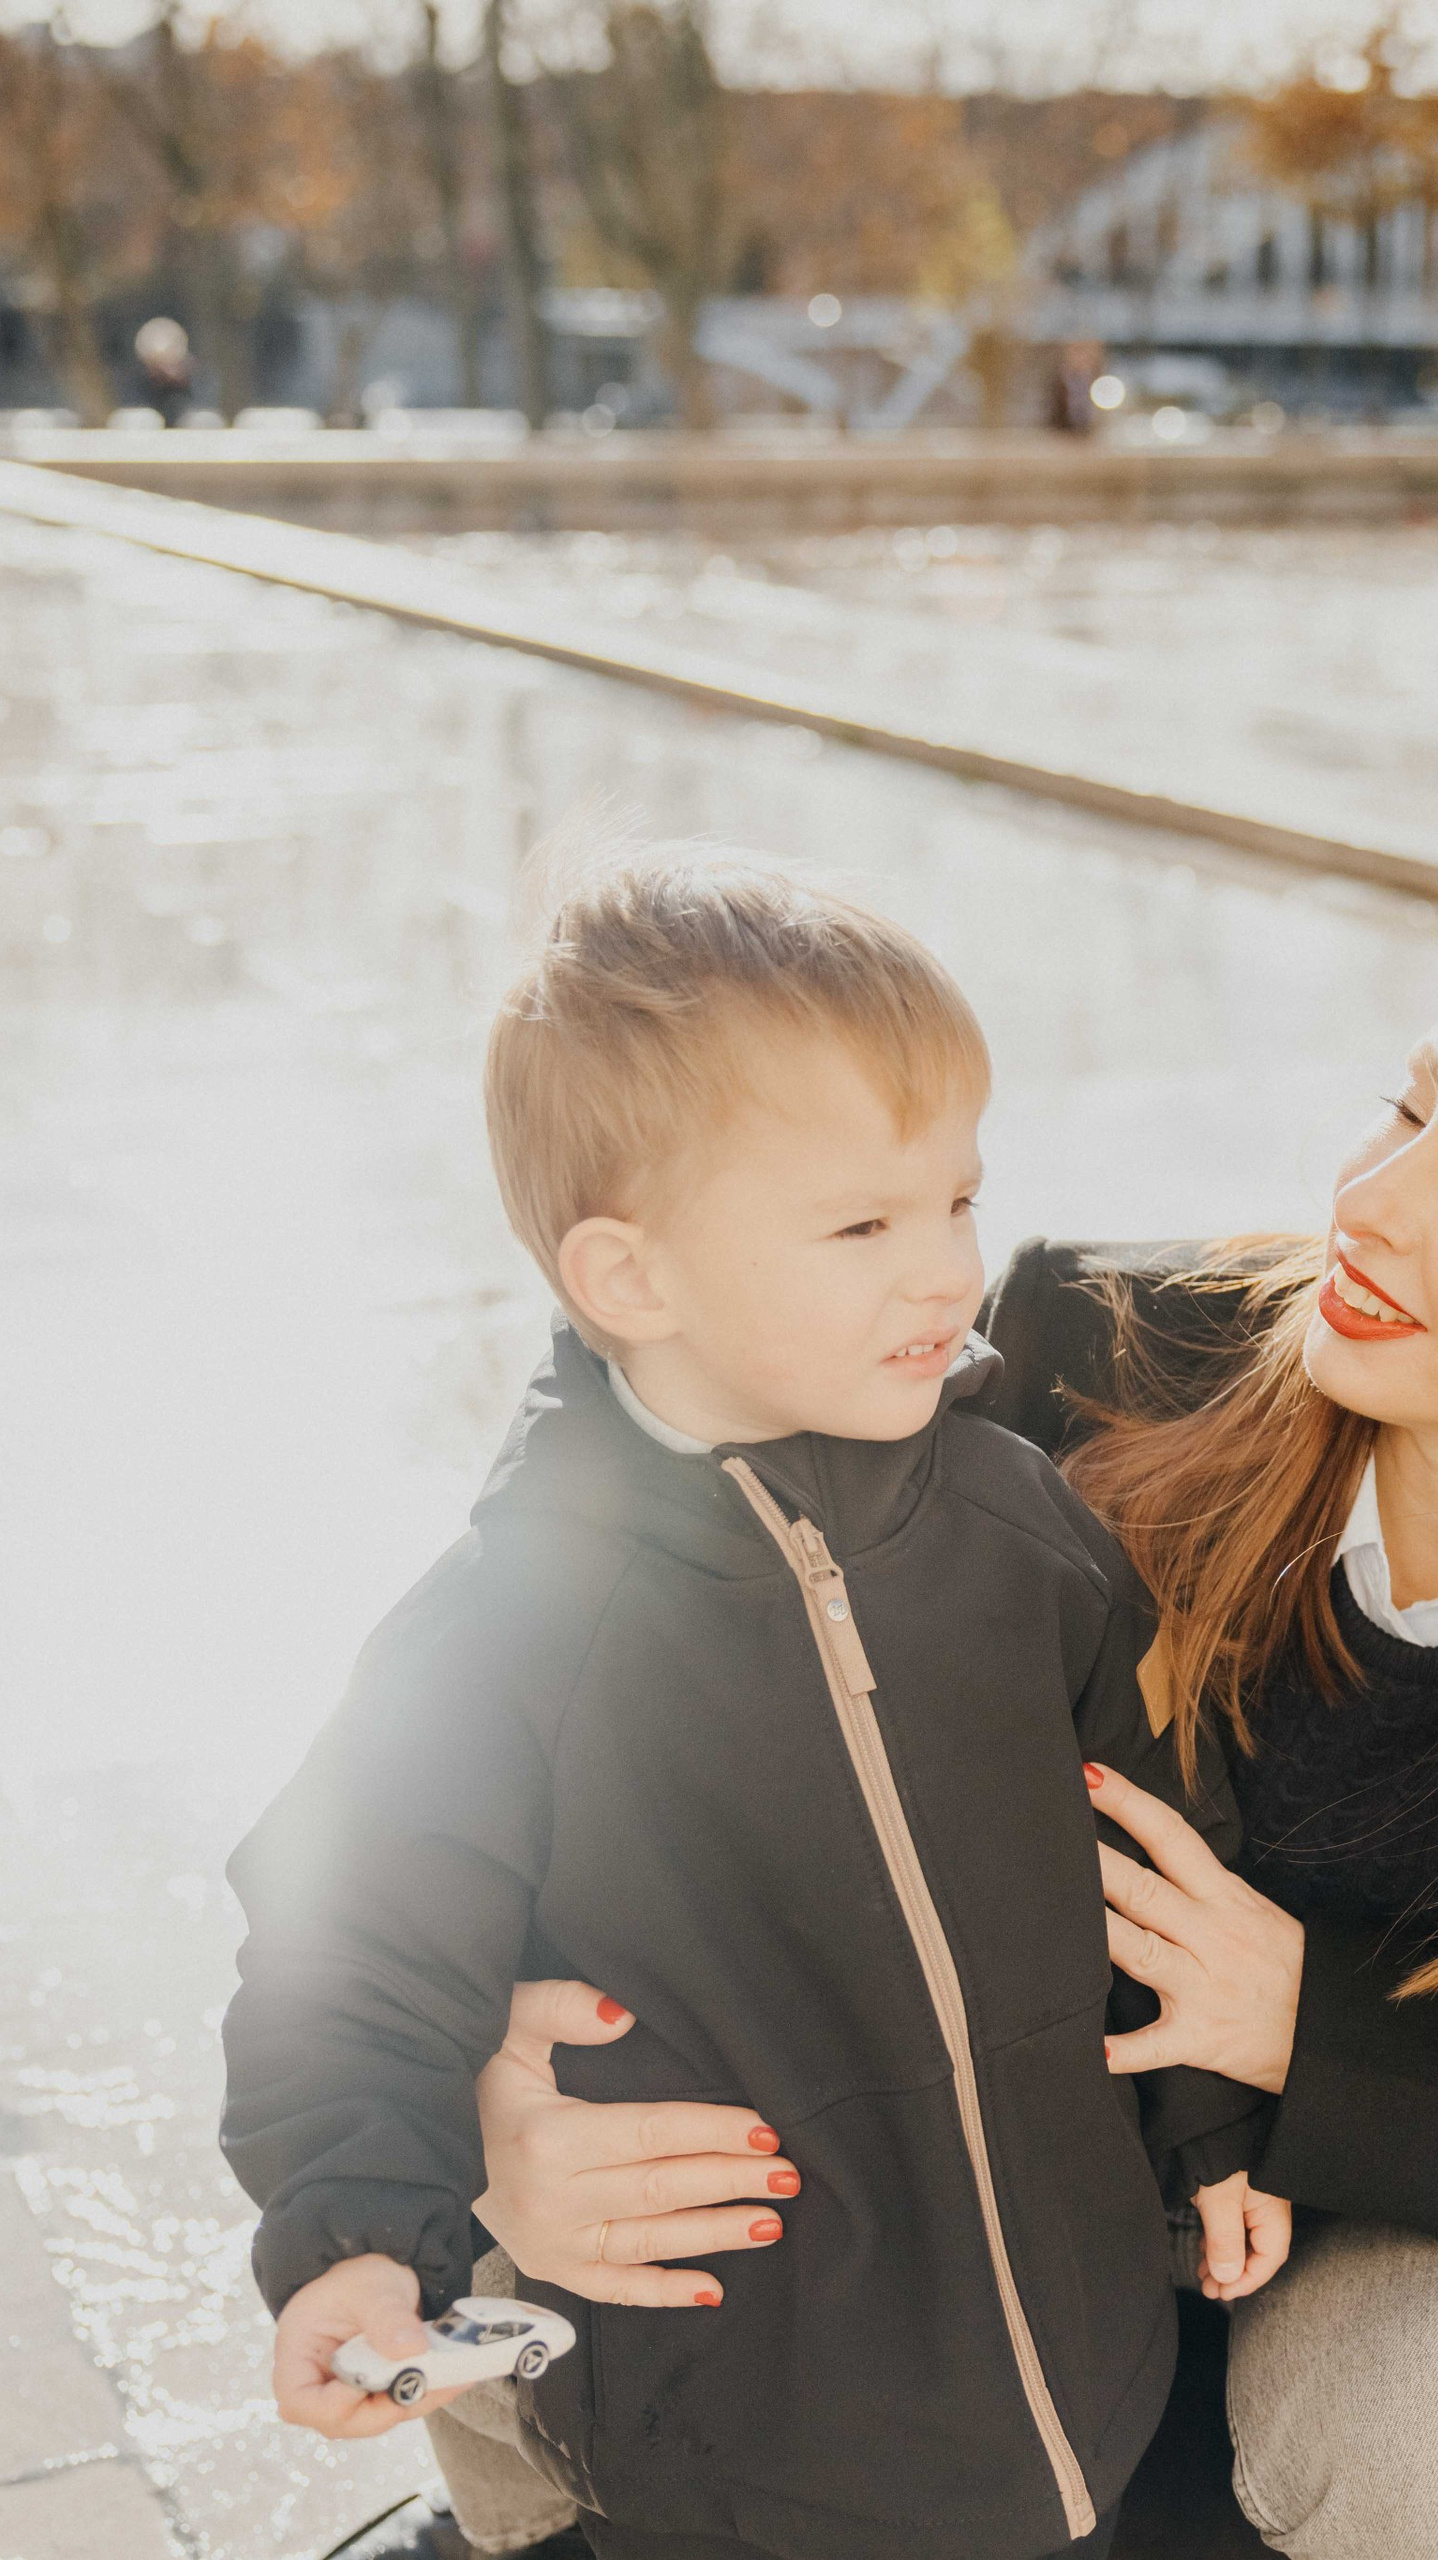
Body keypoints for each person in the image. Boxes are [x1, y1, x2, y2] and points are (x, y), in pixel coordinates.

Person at [430, 894, 1438, 2560]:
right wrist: (500, 2095)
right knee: (523, 2206)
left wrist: (1318, 2036)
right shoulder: (1097, 1345)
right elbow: (643, 1473)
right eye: (1408, 1106)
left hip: (1427, 2311)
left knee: (1436, 2409)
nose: (1371, 1203)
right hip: (1010, 2247)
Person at [219, 852, 1288, 2560]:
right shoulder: (509, 1630)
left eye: (956, 1198)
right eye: (864, 1225)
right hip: (743, 2441)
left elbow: (1164, 1854)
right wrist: (358, 2236)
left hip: (1091, 2362)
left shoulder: (1022, 1526)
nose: (946, 1271)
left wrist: (1214, 2134)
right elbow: (348, 1958)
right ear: (633, 1280)